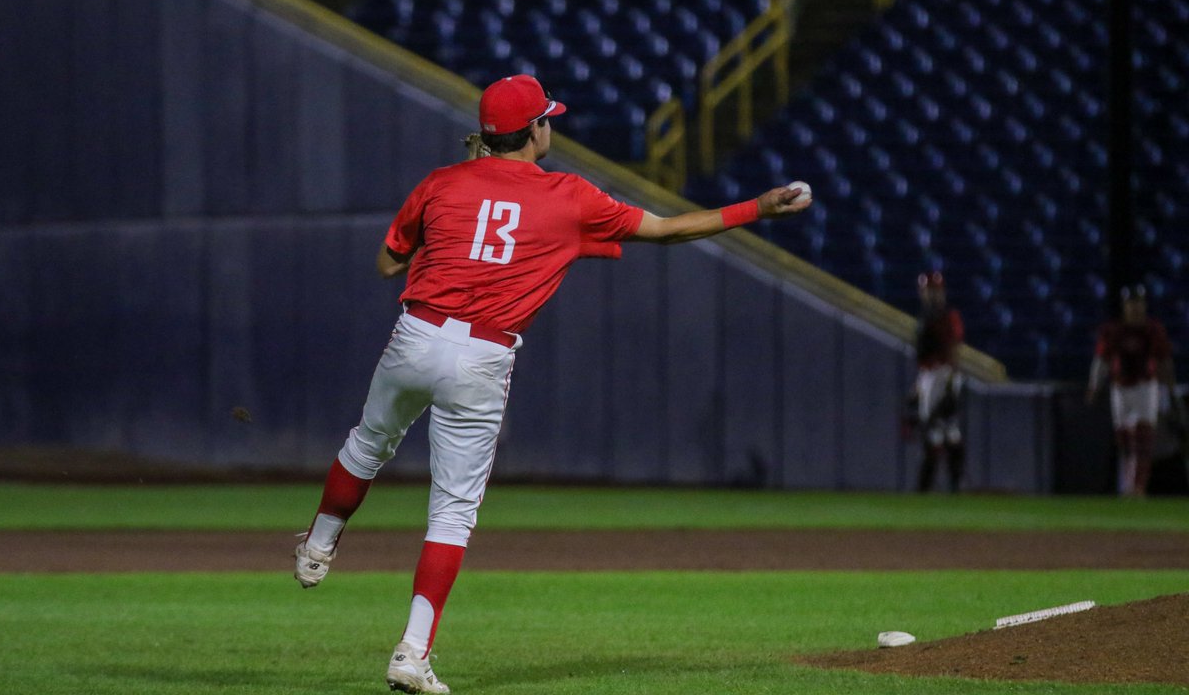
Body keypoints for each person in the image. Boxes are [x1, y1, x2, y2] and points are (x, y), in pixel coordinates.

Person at [293, 73, 812, 694]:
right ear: (535, 130)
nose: (552, 125)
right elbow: (669, 231)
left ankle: (319, 547)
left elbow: (386, 263)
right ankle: (410, 652)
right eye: (548, 118)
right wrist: (759, 206)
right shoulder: (570, 196)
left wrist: (449, 223)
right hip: (482, 353)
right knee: (452, 511)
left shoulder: (441, 182)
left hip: (417, 331)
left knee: (367, 443)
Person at [1086, 284, 1182, 496]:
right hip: (1120, 388)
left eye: (1138, 303)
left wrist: (1170, 387)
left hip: (1145, 386)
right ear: (1124, 306)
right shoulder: (1113, 330)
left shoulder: (1152, 329)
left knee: (1143, 437)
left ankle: (1138, 488)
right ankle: (1128, 485)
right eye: (1131, 303)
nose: (1135, 308)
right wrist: (1094, 385)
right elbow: (1102, 360)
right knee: (1124, 440)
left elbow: (1164, 360)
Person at [910, 271, 966, 493]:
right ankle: (947, 483)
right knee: (944, 429)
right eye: (927, 290)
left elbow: (954, 350)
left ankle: (946, 483)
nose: (930, 294)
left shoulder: (946, 316)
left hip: (943, 374)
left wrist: (952, 380)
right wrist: (918, 385)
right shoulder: (926, 316)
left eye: (934, 290)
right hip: (929, 375)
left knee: (940, 427)